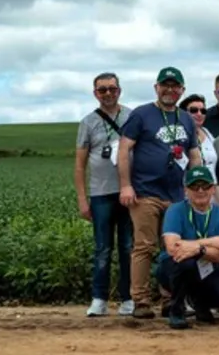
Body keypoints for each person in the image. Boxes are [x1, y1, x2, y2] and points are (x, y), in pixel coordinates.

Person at [117, 66, 201, 319]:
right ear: (156, 87)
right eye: (165, 85)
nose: (169, 90)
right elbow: (124, 149)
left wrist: (195, 186)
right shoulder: (142, 114)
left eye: (175, 86)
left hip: (175, 195)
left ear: (182, 90)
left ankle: (170, 300)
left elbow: (193, 154)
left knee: (173, 248)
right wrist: (126, 185)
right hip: (145, 192)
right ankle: (141, 301)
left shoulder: (186, 118)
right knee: (144, 246)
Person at [76, 72, 134, 317]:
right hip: (100, 193)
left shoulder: (132, 116)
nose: (108, 93)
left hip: (128, 192)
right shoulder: (87, 123)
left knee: (128, 247)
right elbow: (80, 164)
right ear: (95, 93)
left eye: (112, 88)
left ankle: (128, 298)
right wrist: (82, 199)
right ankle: (99, 299)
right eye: (102, 90)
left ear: (119, 90)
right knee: (102, 249)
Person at [157, 166, 219, 329]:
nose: (200, 190)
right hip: (175, 266)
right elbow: (172, 247)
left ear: (213, 189)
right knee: (185, 262)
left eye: (205, 186)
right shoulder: (175, 210)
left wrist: (198, 249)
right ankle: (177, 311)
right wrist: (212, 241)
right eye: (194, 186)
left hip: (208, 267)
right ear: (186, 190)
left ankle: (199, 301)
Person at [179, 94, 219, 204]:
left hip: (211, 192)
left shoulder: (207, 133)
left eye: (203, 111)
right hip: (189, 193)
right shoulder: (179, 136)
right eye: (194, 110)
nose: (199, 114)